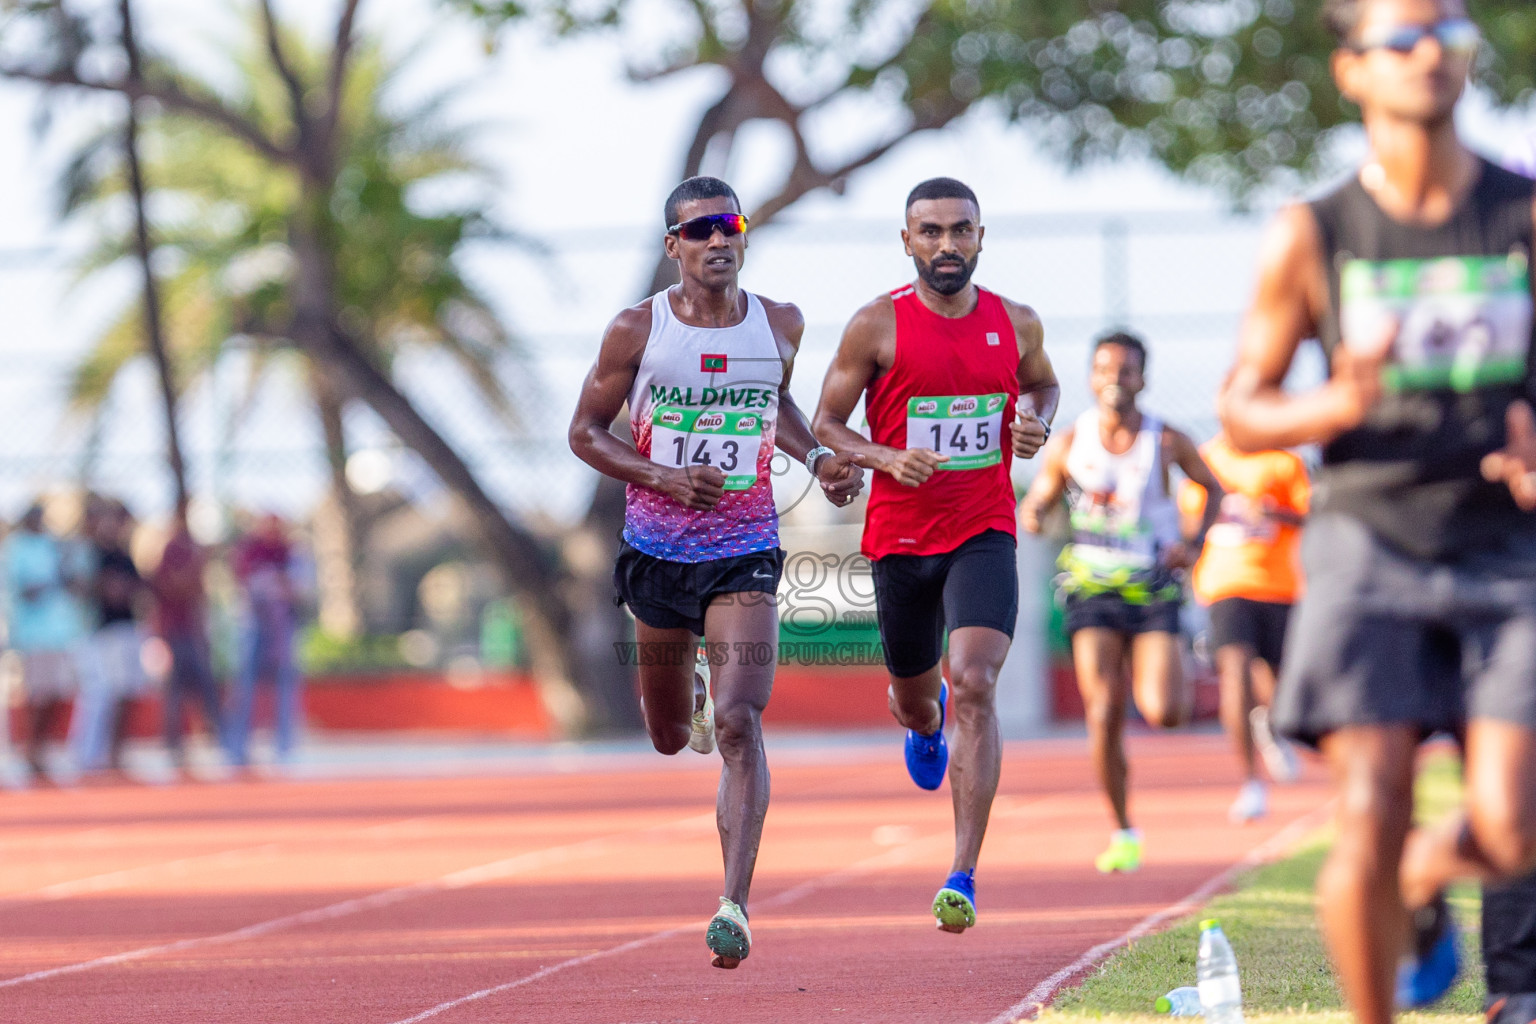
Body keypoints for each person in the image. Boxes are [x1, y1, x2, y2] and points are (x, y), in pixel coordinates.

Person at [1217, 1, 1536, 1020]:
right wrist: (1337, 403)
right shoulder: (1313, 232)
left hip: (1504, 541)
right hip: (1369, 535)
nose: (1431, 51)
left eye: (1447, 29)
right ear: (1353, 71)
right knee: (1369, 803)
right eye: (1403, 37)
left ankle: (1428, 868)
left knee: (1518, 829)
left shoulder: (1524, 214)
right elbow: (1243, 404)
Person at [568, 175, 863, 968]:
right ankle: (683, 698)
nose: (719, 239)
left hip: (744, 549)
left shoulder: (781, 323)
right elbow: (585, 433)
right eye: (700, 230)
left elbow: (779, 409)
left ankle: (733, 901)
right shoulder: (637, 331)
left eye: (730, 225)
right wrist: (660, 476)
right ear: (674, 247)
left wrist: (824, 456)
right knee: (670, 736)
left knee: (738, 720)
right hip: (658, 554)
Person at [811, 176, 1059, 933]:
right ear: (907, 240)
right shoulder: (875, 325)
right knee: (919, 699)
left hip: (983, 528)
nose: (946, 245)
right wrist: (884, 458)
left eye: (960, 230)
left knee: (976, 680)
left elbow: (1044, 388)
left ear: (982, 238)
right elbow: (825, 421)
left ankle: (963, 871)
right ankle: (924, 723)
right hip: (899, 541)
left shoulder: (1016, 323)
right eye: (931, 231)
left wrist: (1034, 424)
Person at [1018, 329, 1222, 873]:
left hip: (1152, 587)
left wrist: (1195, 541)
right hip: (1092, 587)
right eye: (1105, 369)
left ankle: (1155, 674)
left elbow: (1215, 489)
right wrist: (1035, 514)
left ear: (1142, 378)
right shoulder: (1069, 441)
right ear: (1091, 377)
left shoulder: (1165, 439)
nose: (1115, 379)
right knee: (1104, 711)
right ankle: (1122, 828)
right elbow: (1038, 496)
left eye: (1126, 370)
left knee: (1166, 711)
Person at [1177, 431, 1309, 823]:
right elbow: (1190, 522)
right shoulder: (1206, 460)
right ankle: (1251, 783)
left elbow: (1309, 514)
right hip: (1224, 584)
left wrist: (1269, 513)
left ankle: (1272, 723)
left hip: (1279, 586)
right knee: (1234, 671)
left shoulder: (1284, 461)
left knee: (1282, 688)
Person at [2, 503, 83, 783]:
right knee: (38, 695)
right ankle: (30, 751)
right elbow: (24, 591)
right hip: (33, 635)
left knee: (59, 693)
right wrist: (49, 581)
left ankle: (43, 749)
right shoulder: (16, 548)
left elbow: (72, 583)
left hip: (59, 633)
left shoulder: (52, 546)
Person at [70, 498, 150, 779]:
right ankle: (86, 756)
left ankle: (115, 755)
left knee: (126, 692)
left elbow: (136, 589)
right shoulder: (92, 553)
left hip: (126, 629)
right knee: (100, 694)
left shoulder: (124, 555)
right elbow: (99, 589)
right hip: (102, 633)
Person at [225, 512, 305, 769]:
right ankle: (238, 748)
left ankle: (284, 746)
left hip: (283, 629)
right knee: (245, 687)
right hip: (253, 628)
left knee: (285, 685)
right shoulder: (250, 552)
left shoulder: (290, 553)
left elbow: (300, 590)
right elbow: (243, 586)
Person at [152, 500, 224, 774]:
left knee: (203, 684)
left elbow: (199, 593)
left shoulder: (192, 549)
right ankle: (174, 744)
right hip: (174, 630)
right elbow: (173, 586)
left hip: (191, 629)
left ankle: (212, 735)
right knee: (176, 688)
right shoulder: (174, 549)